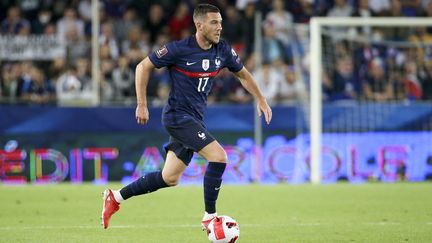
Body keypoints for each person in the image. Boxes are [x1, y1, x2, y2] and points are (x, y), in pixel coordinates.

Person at [101, 3, 272, 230]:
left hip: (195, 119)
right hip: (177, 117)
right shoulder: (178, 49)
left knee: (169, 178)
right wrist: (141, 104)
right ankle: (210, 217)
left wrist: (260, 98)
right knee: (219, 157)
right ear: (199, 25)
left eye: (220, 22)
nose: (219, 27)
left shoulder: (222, 50)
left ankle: (116, 197)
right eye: (214, 22)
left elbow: (243, 75)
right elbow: (142, 67)